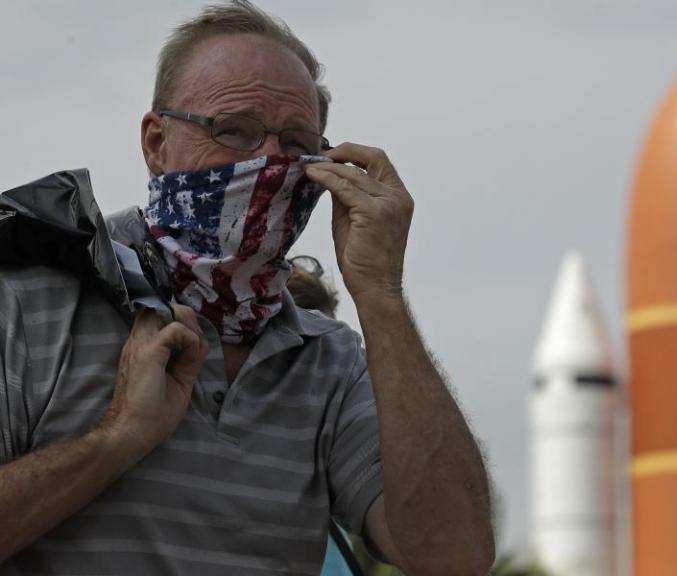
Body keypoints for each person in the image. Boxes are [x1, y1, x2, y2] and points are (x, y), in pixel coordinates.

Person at [0, 2, 495, 575]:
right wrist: (118, 438)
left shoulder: (327, 360)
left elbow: (452, 557)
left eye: (295, 143)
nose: (268, 162)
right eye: (233, 131)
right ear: (157, 144)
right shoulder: (30, 295)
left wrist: (379, 294)